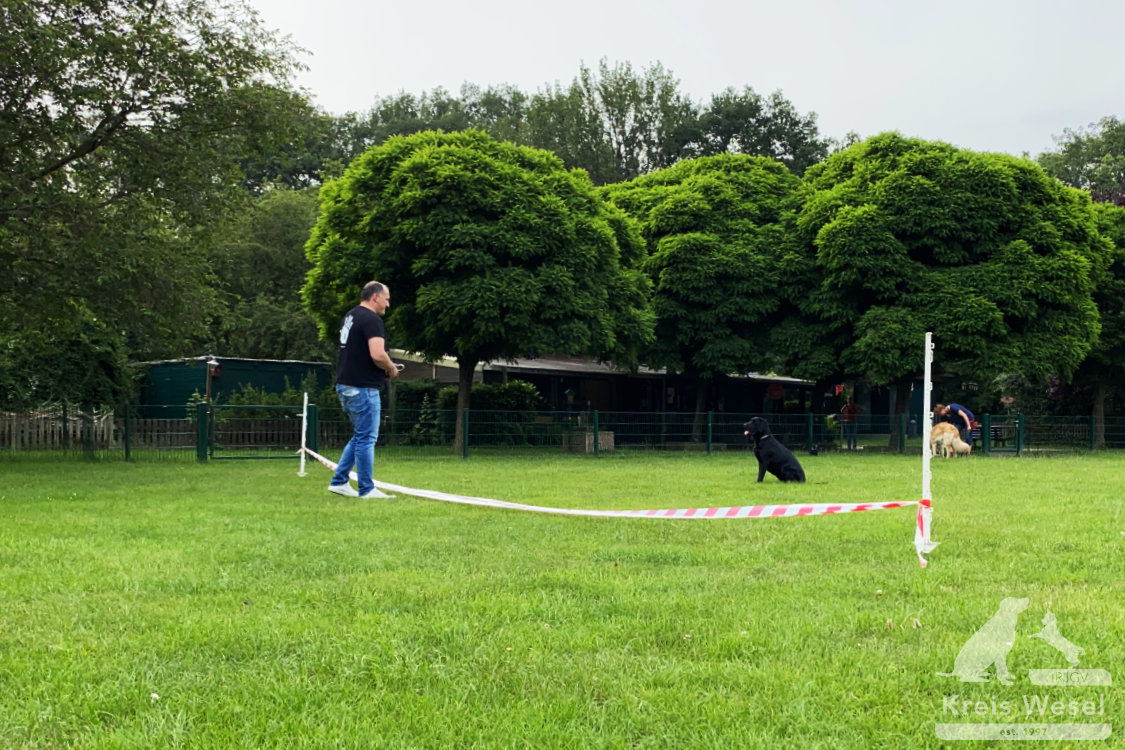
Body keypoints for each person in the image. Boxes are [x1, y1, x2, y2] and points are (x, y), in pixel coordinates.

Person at [329, 281, 400, 498]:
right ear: (375, 297)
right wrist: (391, 368)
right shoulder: (371, 320)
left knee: (361, 435)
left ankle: (340, 481)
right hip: (363, 388)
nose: (387, 305)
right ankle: (367, 489)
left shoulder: (351, 316)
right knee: (367, 437)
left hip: (345, 385)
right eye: (386, 299)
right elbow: (377, 354)